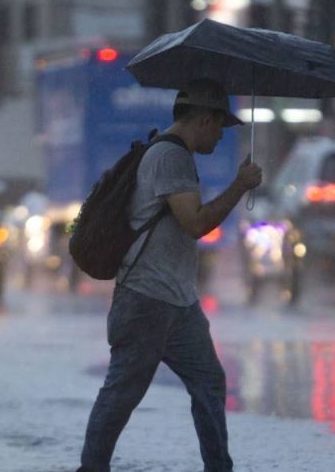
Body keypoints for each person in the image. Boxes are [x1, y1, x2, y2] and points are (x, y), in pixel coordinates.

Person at [77, 78, 262, 472]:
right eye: (219, 127)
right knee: (123, 392)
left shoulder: (171, 154)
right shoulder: (171, 157)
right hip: (146, 298)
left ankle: (219, 467)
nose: (220, 137)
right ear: (204, 120)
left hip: (177, 301)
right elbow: (195, 223)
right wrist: (239, 185)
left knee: (209, 382)